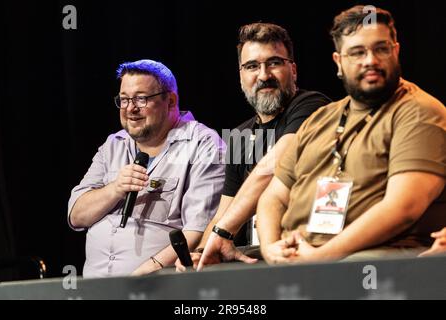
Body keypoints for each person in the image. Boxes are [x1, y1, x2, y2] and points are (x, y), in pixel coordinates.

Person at [256, 5, 446, 265]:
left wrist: (321, 257)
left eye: (381, 48)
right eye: (357, 52)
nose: (370, 60)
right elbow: (273, 196)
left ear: (396, 51)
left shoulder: (419, 112)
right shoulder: (320, 119)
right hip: (299, 258)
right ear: (339, 62)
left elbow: (403, 208)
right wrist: (270, 247)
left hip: (373, 260)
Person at [176, 23, 330, 271]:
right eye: (252, 66)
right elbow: (223, 212)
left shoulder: (312, 106)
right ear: (241, 76)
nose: (263, 75)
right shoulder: (238, 135)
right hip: (253, 257)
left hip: (303, 249)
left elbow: (273, 167)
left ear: (293, 70)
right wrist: (202, 254)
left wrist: (223, 232)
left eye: (274, 63)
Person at [68, 59, 226, 277]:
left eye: (141, 99)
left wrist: (149, 269)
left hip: (159, 287)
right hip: (95, 289)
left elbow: (199, 230)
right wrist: (115, 189)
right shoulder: (113, 144)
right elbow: (77, 216)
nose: (130, 109)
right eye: (124, 100)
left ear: (170, 101)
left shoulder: (203, 144)